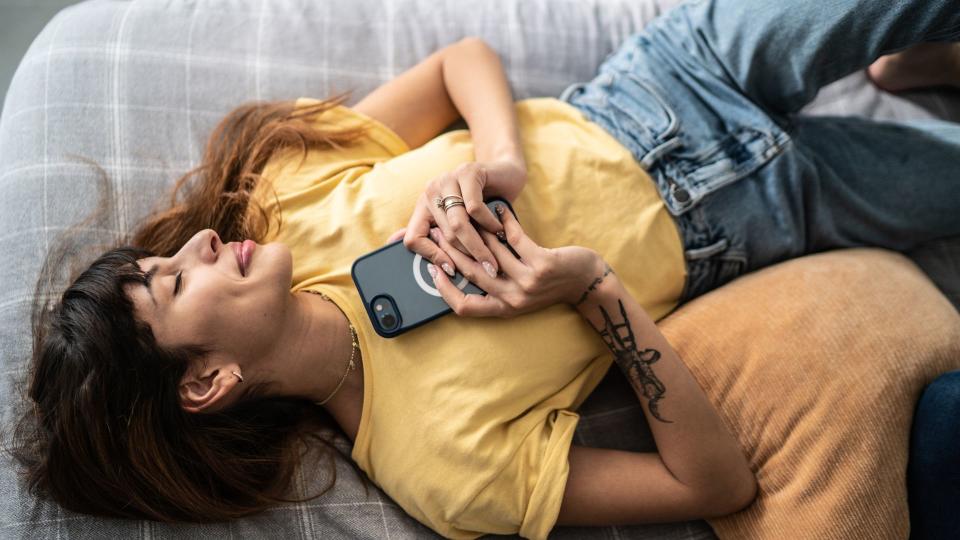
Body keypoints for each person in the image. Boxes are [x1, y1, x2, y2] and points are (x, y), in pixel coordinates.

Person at [9, 0, 960, 537]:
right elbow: (710, 488)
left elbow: (462, 61)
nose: (201, 244)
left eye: (167, 254)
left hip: (664, 80)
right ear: (209, 381)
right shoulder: (441, 469)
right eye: (173, 282)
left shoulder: (283, 193)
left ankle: (907, 68)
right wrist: (592, 290)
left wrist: (494, 157)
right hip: (760, 216)